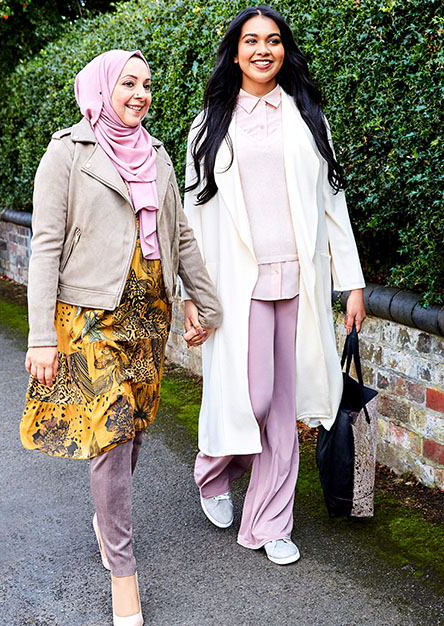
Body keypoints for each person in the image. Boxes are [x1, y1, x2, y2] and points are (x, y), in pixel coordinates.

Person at [20, 50, 221, 625]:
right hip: (89, 317)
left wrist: (206, 304)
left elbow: (179, 238)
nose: (139, 93)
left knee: (130, 431)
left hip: (147, 315)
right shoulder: (67, 152)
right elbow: (45, 249)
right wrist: (40, 337)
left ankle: (106, 519)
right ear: (102, 87)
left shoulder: (156, 156)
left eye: (147, 84)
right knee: (109, 432)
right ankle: (124, 576)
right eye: (128, 83)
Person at [183, 5, 366, 566]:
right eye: (251, 41)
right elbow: (191, 218)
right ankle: (214, 469)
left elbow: (332, 204)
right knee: (251, 397)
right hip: (239, 285)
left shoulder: (307, 115)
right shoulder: (210, 122)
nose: (263, 50)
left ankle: (270, 521)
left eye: (274, 40)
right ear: (234, 51)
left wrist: (352, 283)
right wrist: (192, 295)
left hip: (299, 280)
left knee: (284, 408)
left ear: (284, 50)